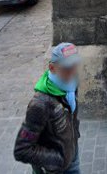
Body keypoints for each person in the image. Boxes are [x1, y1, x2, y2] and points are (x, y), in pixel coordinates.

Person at [14, 42, 82, 174]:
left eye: (74, 65)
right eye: (67, 68)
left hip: (72, 155)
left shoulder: (72, 84)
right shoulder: (39, 105)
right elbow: (22, 149)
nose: (73, 71)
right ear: (52, 68)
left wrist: (74, 138)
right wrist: (56, 161)